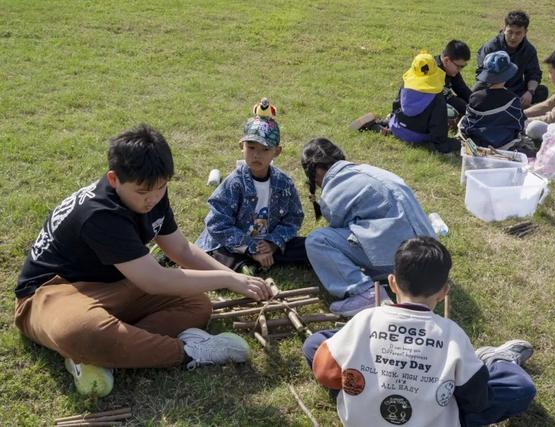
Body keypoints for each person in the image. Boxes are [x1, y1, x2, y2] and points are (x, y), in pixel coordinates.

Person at [14, 124, 272, 397]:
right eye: (143, 192)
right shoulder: (99, 214)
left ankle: (107, 351)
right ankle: (187, 352)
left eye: (161, 188)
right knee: (81, 332)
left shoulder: (152, 186)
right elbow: (154, 280)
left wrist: (238, 279)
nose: (153, 199)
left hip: (114, 282)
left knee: (196, 304)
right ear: (113, 179)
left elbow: (181, 251)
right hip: (50, 293)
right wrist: (228, 278)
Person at [302, 236, 537, 427]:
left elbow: (324, 372)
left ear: (392, 283)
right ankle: (494, 360)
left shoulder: (365, 319)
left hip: (361, 419)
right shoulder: (451, 335)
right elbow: (476, 400)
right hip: (433, 419)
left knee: (316, 345)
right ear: (443, 292)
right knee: (519, 388)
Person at [301, 138, 436, 317]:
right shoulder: (367, 170)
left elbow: (339, 230)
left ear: (316, 171)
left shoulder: (333, 188)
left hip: (402, 258)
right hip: (431, 256)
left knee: (318, 240)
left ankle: (365, 293)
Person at [196, 116, 307, 274]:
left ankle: (261, 259)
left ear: (277, 151)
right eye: (252, 147)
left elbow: (293, 218)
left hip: (268, 239)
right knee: (218, 254)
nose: (257, 155)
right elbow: (217, 224)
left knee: (308, 246)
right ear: (242, 146)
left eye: (265, 149)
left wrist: (272, 243)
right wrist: (251, 247)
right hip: (234, 244)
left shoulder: (284, 183)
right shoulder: (234, 183)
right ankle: (246, 264)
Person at [350, 51, 460, 153]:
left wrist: (394, 118)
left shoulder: (407, 83)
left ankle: (384, 126)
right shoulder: (437, 94)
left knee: (400, 124)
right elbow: (438, 123)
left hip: (398, 126)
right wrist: (444, 143)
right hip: (419, 135)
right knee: (453, 143)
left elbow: (397, 105)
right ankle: (403, 134)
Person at [474, 10, 548, 108]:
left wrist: (530, 92)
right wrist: (500, 90)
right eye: (510, 32)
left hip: (516, 89)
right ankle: (512, 105)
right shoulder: (491, 47)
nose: (513, 37)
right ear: (504, 29)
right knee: (477, 90)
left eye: (518, 33)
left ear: (525, 32)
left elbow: (533, 74)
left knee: (541, 91)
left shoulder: (529, 50)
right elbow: (482, 74)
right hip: (494, 88)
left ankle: (512, 104)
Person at [459, 51, 527, 150]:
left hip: (476, 143)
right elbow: (520, 124)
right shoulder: (513, 100)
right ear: (507, 75)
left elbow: (467, 123)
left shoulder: (475, 97)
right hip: (503, 144)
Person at [436, 40, 473, 118]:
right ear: (446, 60)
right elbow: (452, 101)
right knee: (452, 113)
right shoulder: (434, 73)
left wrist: (480, 105)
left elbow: (463, 90)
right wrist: (476, 113)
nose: (460, 69)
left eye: (463, 67)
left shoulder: (449, 69)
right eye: (459, 66)